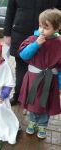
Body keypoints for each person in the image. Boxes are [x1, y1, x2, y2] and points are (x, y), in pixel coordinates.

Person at [4, 0, 61, 105]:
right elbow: (10, 11)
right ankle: (19, 96)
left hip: (48, 37)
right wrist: (7, 33)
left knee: (44, 69)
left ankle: (38, 100)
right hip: (20, 34)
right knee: (21, 69)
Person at [18, 8, 61, 139]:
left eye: (46, 27)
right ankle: (33, 121)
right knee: (32, 100)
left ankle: (42, 124)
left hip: (50, 80)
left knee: (46, 102)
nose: (42, 30)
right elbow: (23, 54)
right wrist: (36, 44)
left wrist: (59, 84)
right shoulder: (33, 39)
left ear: (57, 28)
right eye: (40, 25)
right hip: (33, 77)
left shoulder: (59, 43)